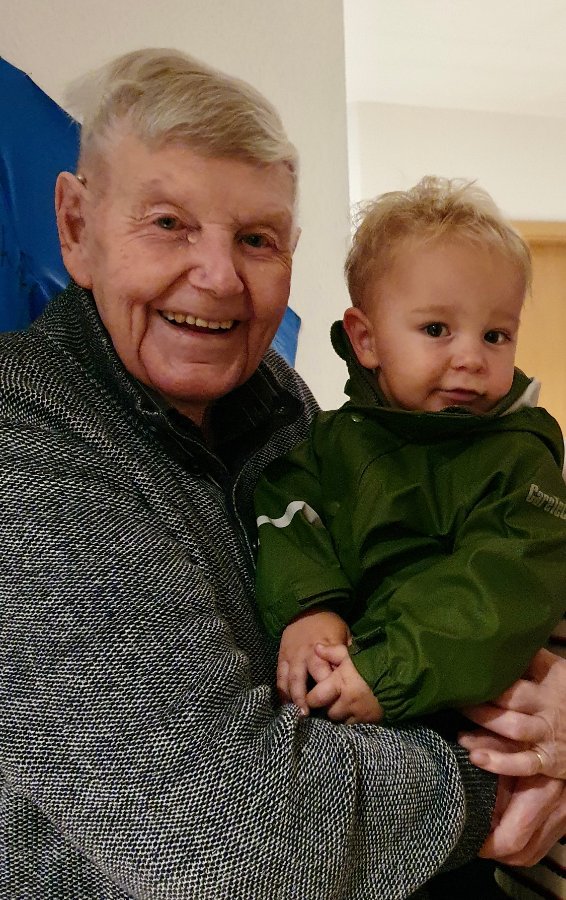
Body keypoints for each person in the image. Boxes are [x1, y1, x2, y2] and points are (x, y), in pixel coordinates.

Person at [0, 48, 564, 900]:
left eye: (257, 239)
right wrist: (494, 780)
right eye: (169, 223)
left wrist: (548, 703)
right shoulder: (29, 440)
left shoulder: (286, 407)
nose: (219, 278)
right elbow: (221, 836)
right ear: (76, 228)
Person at [254, 176, 566, 727]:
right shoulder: (330, 442)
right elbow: (289, 515)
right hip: (362, 686)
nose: (471, 358)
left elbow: (503, 583)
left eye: (495, 335)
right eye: (437, 328)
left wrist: (388, 669)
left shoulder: (521, 458)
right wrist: (310, 609)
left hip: (466, 702)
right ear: (367, 339)